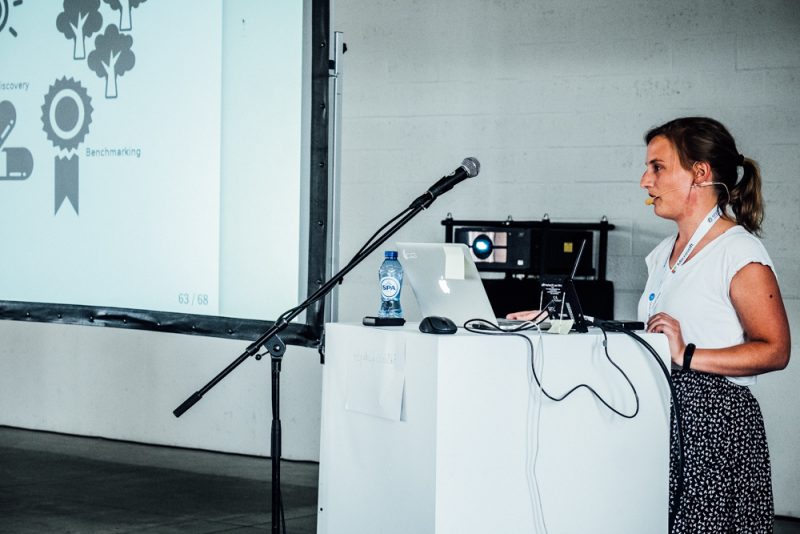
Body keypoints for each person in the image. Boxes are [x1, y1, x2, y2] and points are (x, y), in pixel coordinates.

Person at [508, 116, 790, 533]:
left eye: (657, 167)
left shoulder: (737, 251)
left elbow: (775, 350)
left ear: (700, 173)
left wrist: (687, 355)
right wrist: (564, 321)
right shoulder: (662, 254)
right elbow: (650, 335)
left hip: (715, 428)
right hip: (663, 414)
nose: (645, 181)